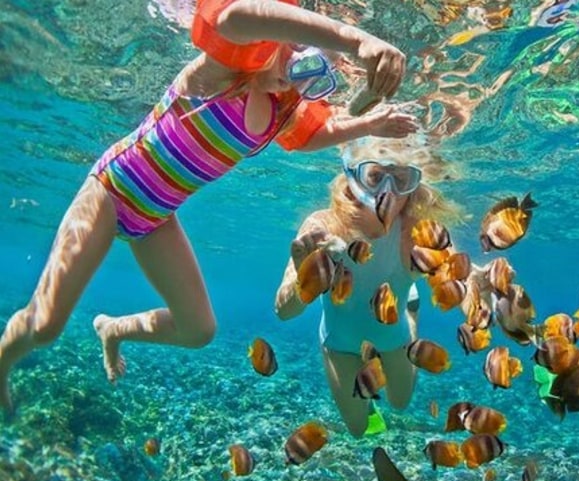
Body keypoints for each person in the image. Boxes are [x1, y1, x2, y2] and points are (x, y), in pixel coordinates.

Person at [0, 0, 420, 414]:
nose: (292, 73)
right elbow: (234, 17)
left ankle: (112, 329)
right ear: (280, 35)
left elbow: (312, 136)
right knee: (45, 324)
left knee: (198, 330)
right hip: (111, 190)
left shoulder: (278, 111)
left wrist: (369, 124)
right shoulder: (221, 73)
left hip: (156, 218)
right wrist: (356, 40)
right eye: (293, 50)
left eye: (310, 76)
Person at [273, 134, 461, 437]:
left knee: (400, 403)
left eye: (400, 179)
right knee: (359, 429)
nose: (386, 192)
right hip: (339, 342)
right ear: (353, 178)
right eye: (374, 177)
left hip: (393, 332)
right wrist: (302, 275)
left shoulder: (416, 231)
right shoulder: (323, 226)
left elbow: (458, 274)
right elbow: (283, 311)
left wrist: (480, 280)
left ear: (413, 188)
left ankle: (410, 315)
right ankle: (373, 362)